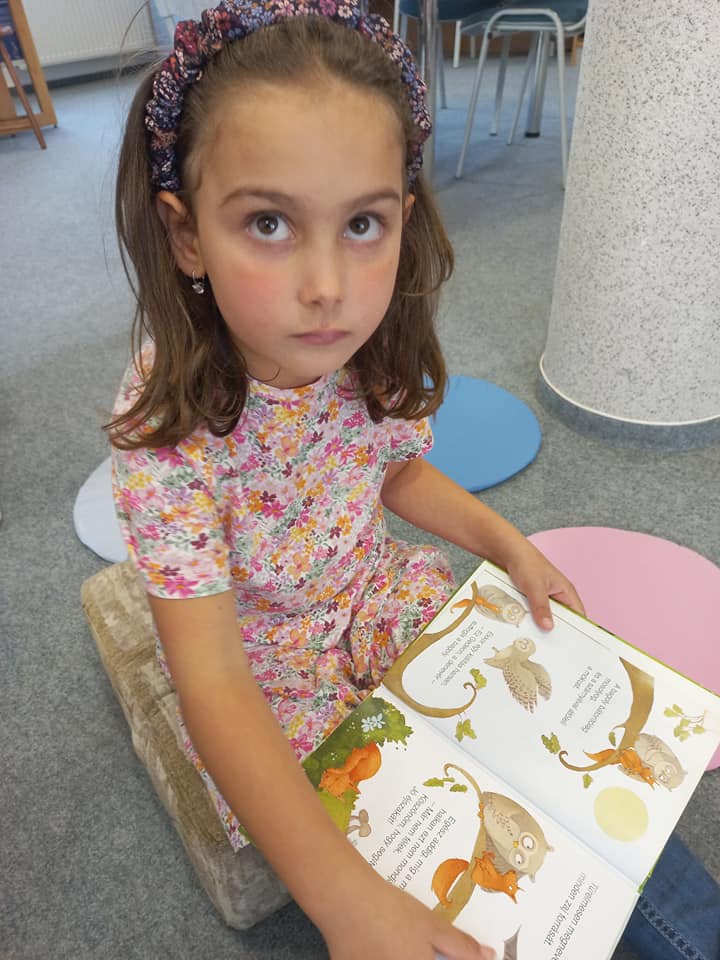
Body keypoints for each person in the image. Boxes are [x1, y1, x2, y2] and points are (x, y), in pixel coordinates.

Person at [107, 3, 720, 959]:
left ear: (403, 213)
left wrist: (508, 544)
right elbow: (214, 682)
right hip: (270, 681)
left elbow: (395, 473)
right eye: (268, 222)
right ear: (186, 236)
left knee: (544, 743)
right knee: (429, 861)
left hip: (381, 599)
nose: (328, 285)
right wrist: (344, 904)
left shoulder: (362, 351)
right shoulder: (166, 432)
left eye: (363, 223)